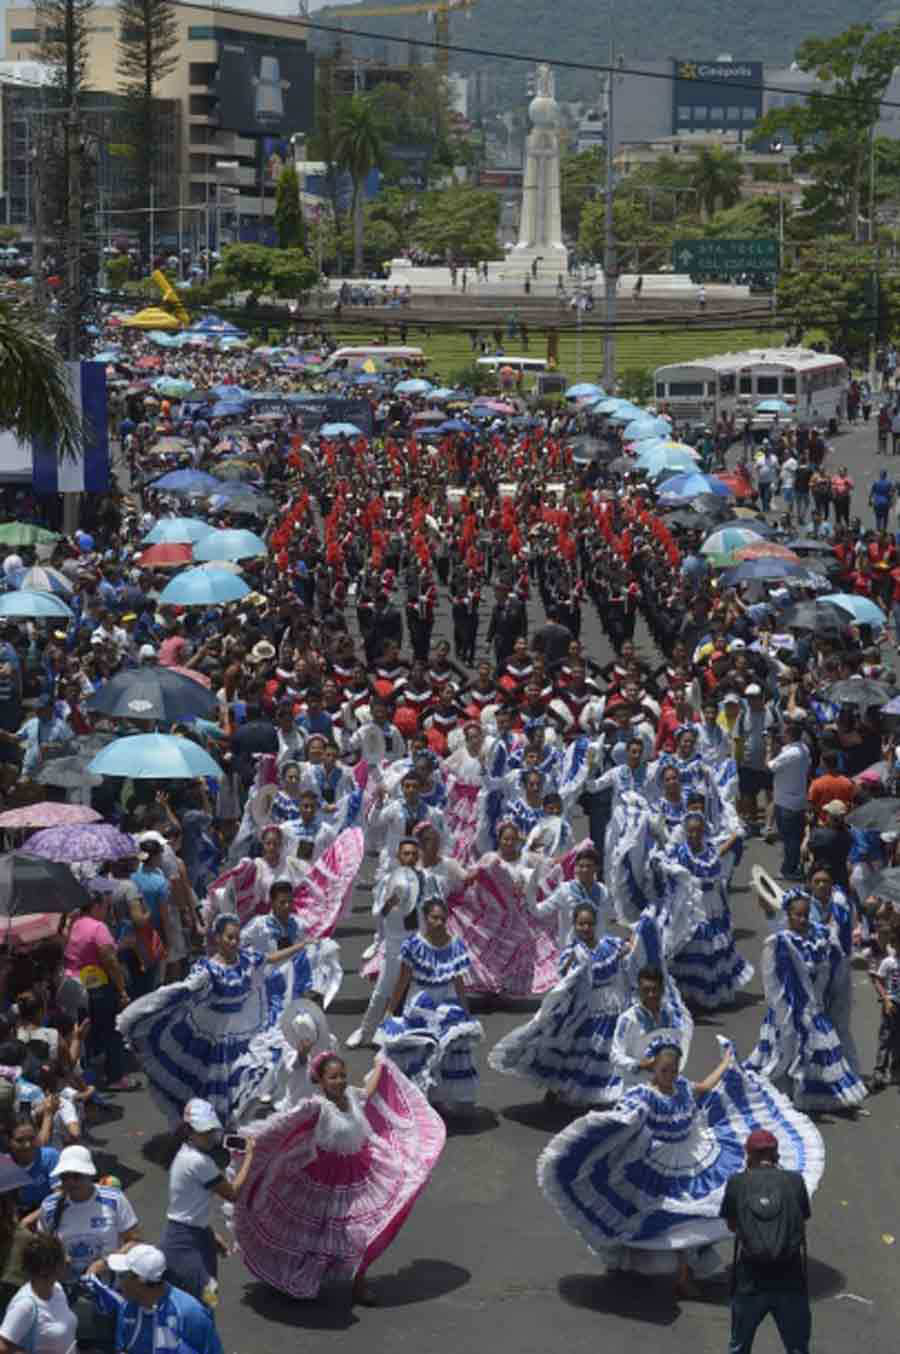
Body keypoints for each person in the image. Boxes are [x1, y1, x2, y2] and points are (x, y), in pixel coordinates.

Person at [537, 1035, 824, 1295]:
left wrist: (726, 1063)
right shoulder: (642, 1096)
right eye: (664, 1071)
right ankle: (670, 1273)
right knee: (662, 1217)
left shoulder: (682, 1087)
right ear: (654, 1069)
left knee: (702, 1214)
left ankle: (689, 1274)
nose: (670, 1076)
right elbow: (625, 1117)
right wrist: (609, 1125)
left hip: (696, 1154)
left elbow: (703, 1087)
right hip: (662, 1165)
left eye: (673, 1071)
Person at [231, 1053, 445, 1305]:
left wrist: (380, 1064)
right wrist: (249, 1143)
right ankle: (297, 1274)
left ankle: (359, 1283)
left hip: (362, 1173)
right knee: (315, 1235)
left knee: (365, 1232)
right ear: (320, 1081)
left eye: (343, 1075)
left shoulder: (352, 1095)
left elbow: (367, 1091)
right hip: (324, 1181)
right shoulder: (316, 1107)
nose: (340, 1081)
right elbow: (280, 1126)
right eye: (333, 1077)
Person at [117, 911, 305, 1126]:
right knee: (210, 1083)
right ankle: (206, 1127)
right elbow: (184, 990)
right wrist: (147, 1009)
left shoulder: (246, 959)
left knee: (247, 1075)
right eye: (229, 937)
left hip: (241, 1030)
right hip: (212, 1033)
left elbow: (271, 958)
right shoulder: (208, 969)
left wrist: (299, 947)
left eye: (237, 937)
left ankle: (230, 1124)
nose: (234, 942)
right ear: (217, 938)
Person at [377, 897, 483, 1114]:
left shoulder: (455, 945)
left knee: (449, 1051)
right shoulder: (413, 945)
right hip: (418, 1005)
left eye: (443, 918)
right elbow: (402, 981)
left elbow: (459, 982)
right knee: (420, 1053)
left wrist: (466, 1010)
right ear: (425, 918)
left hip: (445, 1005)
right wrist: (389, 1010)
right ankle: (418, 1103)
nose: (440, 922)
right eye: (435, 918)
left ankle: (437, 1099)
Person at [720, 1129, 812, 1354]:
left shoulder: (737, 1183)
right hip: (791, 1282)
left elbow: (732, 1225)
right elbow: (803, 1217)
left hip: (750, 1283)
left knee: (739, 1347)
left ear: (748, 1155)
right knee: (798, 1348)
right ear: (776, 1155)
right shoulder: (795, 1181)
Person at [162, 1098, 255, 1307]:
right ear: (189, 1131)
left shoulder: (187, 1154)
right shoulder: (199, 1162)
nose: (210, 1137)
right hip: (184, 1242)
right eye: (204, 1132)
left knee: (201, 1302)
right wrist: (249, 1156)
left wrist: (209, 1234)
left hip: (194, 1235)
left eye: (211, 1130)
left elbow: (190, 1206)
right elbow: (232, 1194)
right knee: (205, 1299)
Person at [62, 880, 137, 1092]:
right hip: (96, 986)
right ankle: (115, 1076)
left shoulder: (74, 924)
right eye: (105, 906)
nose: (107, 910)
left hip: (71, 985)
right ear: (95, 906)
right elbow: (110, 961)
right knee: (112, 1030)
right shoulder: (98, 927)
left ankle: (87, 1074)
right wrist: (122, 990)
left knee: (85, 1033)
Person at [81, 1244, 223, 1354]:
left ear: (140, 1281)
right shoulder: (127, 1307)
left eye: (123, 1276)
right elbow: (122, 1348)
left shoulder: (190, 1312)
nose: (118, 1282)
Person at [34, 1146, 140, 1283]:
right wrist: (57, 1255)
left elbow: (134, 1241)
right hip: (67, 1287)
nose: (70, 1182)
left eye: (76, 1176)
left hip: (109, 1285)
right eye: (64, 1176)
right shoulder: (49, 1207)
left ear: (89, 1174)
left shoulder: (114, 1199)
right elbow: (42, 1244)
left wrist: (106, 1263)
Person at [0, 1232, 75, 1354]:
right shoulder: (26, 1304)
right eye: (63, 1257)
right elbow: (2, 1346)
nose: (69, 1260)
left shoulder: (57, 1289)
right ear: (49, 1267)